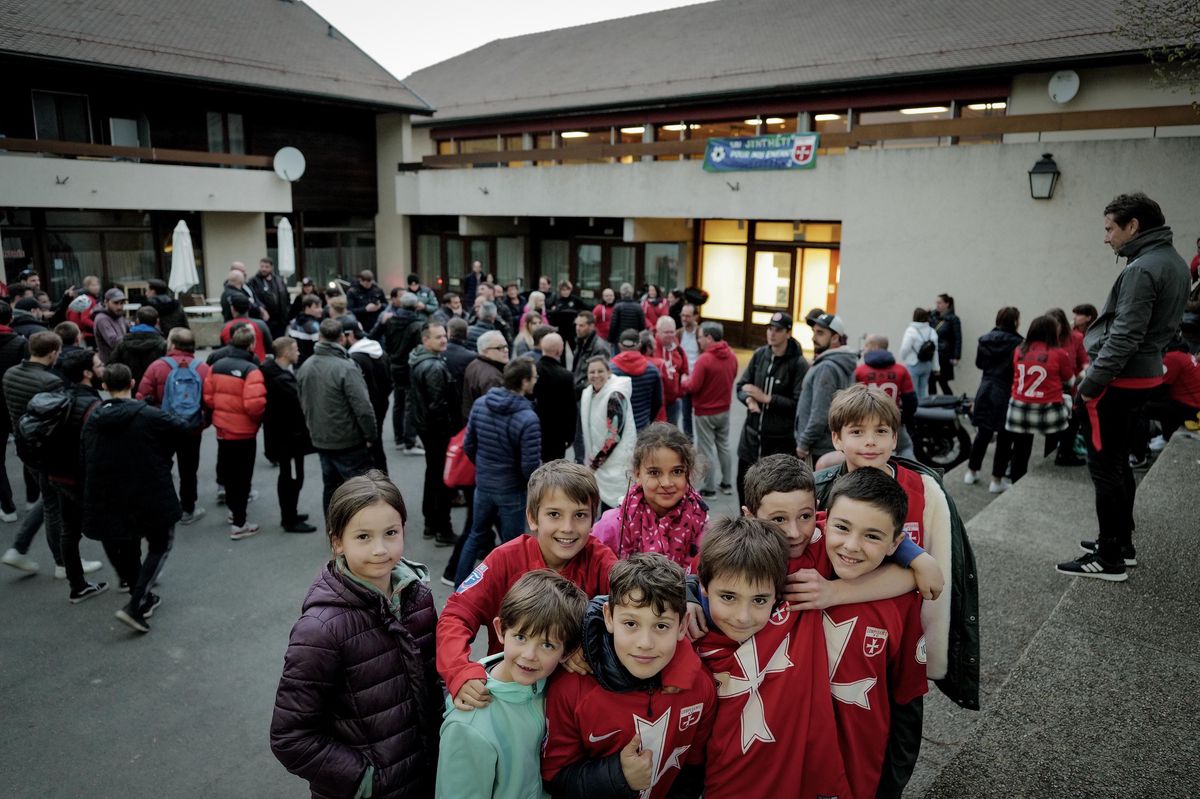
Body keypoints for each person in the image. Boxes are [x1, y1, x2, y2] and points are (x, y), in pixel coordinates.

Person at [270, 471, 440, 799]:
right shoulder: (320, 629)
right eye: (363, 537)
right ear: (337, 542)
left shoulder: (418, 598)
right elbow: (290, 736)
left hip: (425, 778)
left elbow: (433, 679)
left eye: (391, 533)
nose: (380, 549)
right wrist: (363, 781)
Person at [814, 385, 978, 711]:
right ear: (837, 439)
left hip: (901, 638)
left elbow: (935, 578)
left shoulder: (925, 491)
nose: (870, 441)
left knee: (901, 721)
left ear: (894, 438)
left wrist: (915, 556)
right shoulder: (819, 488)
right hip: (832, 636)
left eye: (881, 431)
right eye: (857, 431)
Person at [693, 517, 852, 799]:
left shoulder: (798, 611)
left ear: (777, 595)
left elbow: (854, 530)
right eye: (728, 597)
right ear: (703, 586)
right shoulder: (680, 634)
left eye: (759, 600)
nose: (743, 617)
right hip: (720, 782)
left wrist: (917, 559)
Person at [438, 462, 616, 708]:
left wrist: (586, 645)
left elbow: (636, 612)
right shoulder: (504, 559)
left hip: (573, 702)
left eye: (580, 515)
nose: (567, 527)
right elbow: (456, 615)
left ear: (593, 518)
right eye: (554, 514)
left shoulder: (601, 560)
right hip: (511, 695)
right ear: (533, 517)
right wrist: (459, 670)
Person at [541, 554, 714, 798]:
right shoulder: (570, 688)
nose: (645, 643)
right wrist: (618, 775)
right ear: (609, 617)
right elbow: (554, 777)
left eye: (661, 626)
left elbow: (693, 771)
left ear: (682, 626)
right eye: (631, 624)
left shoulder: (701, 687)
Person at [822, 469, 929, 799]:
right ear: (823, 521)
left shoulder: (903, 604)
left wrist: (892, 785)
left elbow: (907, 702)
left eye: (872, 536)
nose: (851, 546)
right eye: (842, 528)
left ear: (897, 543)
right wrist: (694, 595)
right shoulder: (792, 569)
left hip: (860, 771)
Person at [435, 570, 587, 799]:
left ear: (566, 653)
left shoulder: (551, 684)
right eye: (521, 637)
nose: (529, 655)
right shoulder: (469, 726)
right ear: (500, 630)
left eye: (547, 645)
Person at [82, 363, 190, 632]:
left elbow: (85, 451)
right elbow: (182, 430)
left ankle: (138, 592)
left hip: (110, 493)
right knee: (160, 544)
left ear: (104, 386)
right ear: (132, 382)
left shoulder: (94, 418)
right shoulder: (149, 415)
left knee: (128, 544)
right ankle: (137, 602)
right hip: (150, 490)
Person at [456, 358, 541, 586]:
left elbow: (469, 445)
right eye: (534, 377)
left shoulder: (481, 404)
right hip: (512, 490)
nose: (536, 380)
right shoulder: (528, 418)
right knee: (513, 545)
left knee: (475, 535)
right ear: (524, 382)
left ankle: (459, 587)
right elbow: (529, 467)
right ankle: (511, 594)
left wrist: (484, 467)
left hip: (483, 484)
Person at [591, 422, 708, 567]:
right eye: (654, 473)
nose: (666, 483)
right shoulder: (612, 526)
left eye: (677, 471)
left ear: (688, 473)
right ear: (638, 474)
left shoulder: (703, 526)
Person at [296, 318, 378, 519]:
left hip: (321, 438)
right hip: (347, 440)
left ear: (320, 337)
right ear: (342, 338)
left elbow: (304, 402)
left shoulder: (306, 367)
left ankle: (334, 530)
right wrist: (370, 435)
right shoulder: (346, 367)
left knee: (331, 487)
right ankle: (360, 532)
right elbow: (363, 408)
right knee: (358, 491)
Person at [45, 348, 108, 603]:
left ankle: (77, 585)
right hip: (83, 479)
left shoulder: (58, 398)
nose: (102, 367)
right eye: (98, 364)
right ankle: (131, 579)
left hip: (58, 475)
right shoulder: (93, 406)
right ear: (86, 373)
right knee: (113, 527)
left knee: (69, 531)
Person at [136, 327, 210, 525]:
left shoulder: (157, 367)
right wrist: (203, 423)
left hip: (163, 427)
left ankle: (164, 507)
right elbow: (210, 400)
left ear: (173, 345)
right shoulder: (202, 368)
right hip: (191, 428)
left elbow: (143, 397)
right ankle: (188, 509)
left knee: (161, 467)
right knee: (188, 470)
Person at [735, 311, 808, 504]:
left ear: (788, 333)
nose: (772, 333)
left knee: (771, 493)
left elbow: (798, 404)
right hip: (750, 437)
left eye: (777, 330)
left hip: (779, 441)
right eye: (769, 328)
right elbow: (741, 386)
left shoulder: (798, 363)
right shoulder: (760, 355)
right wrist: (749, 400)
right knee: (743, 488)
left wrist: (767, 399)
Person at [203, 325, 267, 539]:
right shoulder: (252, 369)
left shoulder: (217, 365)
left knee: (229, 473)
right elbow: (255, 406)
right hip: (244, 432)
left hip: (223, 428)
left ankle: (233, 512)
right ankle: (239, 523)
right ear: (252, 344)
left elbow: (209, 397)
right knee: (243, 475)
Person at [998, 315, 1077, 486]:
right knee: (1069, 414)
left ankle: (1016, 482)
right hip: (1048, 410)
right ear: (1050, 331)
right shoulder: (1058, 353)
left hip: (1018, 408)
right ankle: (1054, 463)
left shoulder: (1019, 350)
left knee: (1020, 451)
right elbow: (1070, 381)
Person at [409, 321, 460, 546]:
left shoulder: (421, 361)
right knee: (442, 479)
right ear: (425, 340)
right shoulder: (434, 367)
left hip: (426, 428)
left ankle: (431, 522)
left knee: (433, 474)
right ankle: (442, 528)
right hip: (437, 432)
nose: (443, 340)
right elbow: (438, 405)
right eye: (438, 337)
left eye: (444, 336)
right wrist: (450, 431)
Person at [964, 307, 1023, 491]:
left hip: (986, 388)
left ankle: (971, 472)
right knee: (1005, 437)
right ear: (1015, 321)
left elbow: (979, 363)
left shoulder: (984, 339)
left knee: (983, 433)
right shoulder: (1019, 343)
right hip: (1006, 390)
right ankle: (996, 480)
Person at [261, 337, 316, 533]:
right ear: (285, 353)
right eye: (295, 349)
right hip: (288, 438)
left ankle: (291, 513)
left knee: (291, 476)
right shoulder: (281, 379)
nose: (298, 352)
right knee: (292, 477)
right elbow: (298, 404)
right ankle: (289, 519)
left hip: (285, 437)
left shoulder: (275, 372)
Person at [794, 313, 857, 464]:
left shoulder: (826, 367)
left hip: (818, 448)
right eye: (814, 332)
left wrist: (803, 442)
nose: (814, 337)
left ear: (835, 338)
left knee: (815, 488)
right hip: (830, 446)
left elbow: (820, 414)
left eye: (820, 333)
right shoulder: (840, 362)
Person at [686, 320, 737, 498]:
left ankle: (709, 488)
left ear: (708, 337)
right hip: (724, 410)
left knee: (706, 449)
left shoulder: (704, 359)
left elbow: (693, 386)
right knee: (723, 446)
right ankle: (727, 483)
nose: (698, 341)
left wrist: (684, 380)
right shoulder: (732, 355)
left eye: (700, 337)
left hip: (705, 412)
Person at [579, 356, 637, 511]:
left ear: (609, 372)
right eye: (592, 372)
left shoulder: (615, 396)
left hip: (615, 465)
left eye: (600, 371)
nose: (596, 375)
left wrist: (594, 464)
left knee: (613, 511)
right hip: (601, 463)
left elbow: (614, 435)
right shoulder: (590, 393)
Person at [855, 333, 917, 460]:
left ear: (875, 347)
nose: (864, 349)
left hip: (866, 421)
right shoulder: (901, 370)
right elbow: (910, 401)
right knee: (905, 448)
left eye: (866, 345)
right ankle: (913, 477)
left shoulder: (860, 371)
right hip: (892, 420)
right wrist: (902, 420)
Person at [345, 320, 392, 474]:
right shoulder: (380, 352)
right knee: (377, 446)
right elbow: (389, 382)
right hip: (382, 404)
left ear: (350, 336)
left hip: (367, 407)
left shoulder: (354, 358)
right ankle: (384, 481)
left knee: (369, 449)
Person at [383, 291, 426, 453]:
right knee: (410, 403)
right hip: (408, 366)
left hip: (394, 364)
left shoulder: (391, 321)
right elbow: (418, 348)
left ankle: (399, 438)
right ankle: (410, 441)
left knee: (398, 403)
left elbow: (382, 339)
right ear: (415, 306)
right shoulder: (417, 325)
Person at [0, 301, 26, 523]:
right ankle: (34, 497)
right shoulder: (20, 343)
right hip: (16, 403)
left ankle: (7, 507)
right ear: (11, 319)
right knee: (28, 450)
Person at [532, 332, 575, 463]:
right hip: (557, 434)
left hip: (535, 429)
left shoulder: (533, 370)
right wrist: (570, 436)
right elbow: (570, 409)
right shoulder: (565, 375)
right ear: (559, 350)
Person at [610, 327, 663, 431]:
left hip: (618, 430)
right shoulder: (652, 370)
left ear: (620, 345)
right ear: (639, 345)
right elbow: (658, 402)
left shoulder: (610, 371)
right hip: (642, 427)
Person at [107, 305, 167, 389]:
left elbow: (112, 365)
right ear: (157, 321)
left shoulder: (123, 343)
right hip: (153, 389)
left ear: (137, 321)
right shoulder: (163, 344)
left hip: (129, 389)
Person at [653, 315, 688, 426]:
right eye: (666, 332)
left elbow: (685, 371)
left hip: (674, 401)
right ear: (658, 332)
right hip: (656, 403)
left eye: (672, 332)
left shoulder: (679, 350)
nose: (670, 335)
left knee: (672, 434)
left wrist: (680, 393)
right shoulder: (651, 349)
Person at [899, 307, 940, 399]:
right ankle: (923, 409)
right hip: (927, 364)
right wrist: (936, 367)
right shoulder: (931, 331)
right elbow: (935, 350)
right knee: (923, 388)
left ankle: (916, 410)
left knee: (913, 389)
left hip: (914, 363)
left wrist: (903, 358)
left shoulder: (911, 330)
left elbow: (905, 348)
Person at [220, 293, 272, 363]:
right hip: (258, 367)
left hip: (233, 366)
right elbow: (269, 347)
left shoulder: (225, 327)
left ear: (232, 309)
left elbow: (223, 350)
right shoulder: (261, 325)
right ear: (249, 307)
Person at [248, 257, 291, 338]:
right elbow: (252, 299)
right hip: (265, 321)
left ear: (271, 268)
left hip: (280, 321)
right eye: (262, 266)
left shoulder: (279, 280)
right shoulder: (253, 281)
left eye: (266, 267)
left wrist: (287, 312)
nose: (264, 269)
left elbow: (287, 297)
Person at [929, 294, 962, 395]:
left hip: (945, 355)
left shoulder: (953, 319)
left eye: (940, 303)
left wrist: (956, 357)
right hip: (933, 354)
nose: (937, 305)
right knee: (931, 381)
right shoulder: (933, 317)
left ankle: (950, 402)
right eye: (937, 303)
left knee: (942, 381)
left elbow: (958, 338)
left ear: (947, 304)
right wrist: (928, 314)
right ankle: (932, 403)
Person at [677, 303, 701, 437]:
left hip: (699, 380)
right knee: (686, 415)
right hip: (685, 381)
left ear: (695, 316)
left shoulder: (701, 334)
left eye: (688, 316)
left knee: (701, 415)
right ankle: (689, 443)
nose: (684, 318)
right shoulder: (679, 334)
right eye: (682, 315)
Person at [93, 288, 129, 363]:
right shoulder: (102, 319)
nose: (119, 307)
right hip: (110, 365)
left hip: (121, 362)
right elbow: (114, 343)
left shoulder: (118, 315)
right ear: (106, 302)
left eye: (122, 303)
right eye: (115, 303)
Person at [65, 275, 101, 346]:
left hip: (79, 332)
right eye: (93, 285)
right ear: (86, 287)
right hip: (86, 335)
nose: (96, 287)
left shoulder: (83, 297)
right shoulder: (87, 300)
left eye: (97, 284)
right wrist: (99, 326)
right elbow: (84, 319)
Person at [288, 294, 323, 363]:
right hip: (311, 364)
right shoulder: (313, 326)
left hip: (296, 363)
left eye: (321, 307)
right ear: (307, 308)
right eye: (316, 307)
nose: (321, 310)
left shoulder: (294, 322)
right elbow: (320, 348)